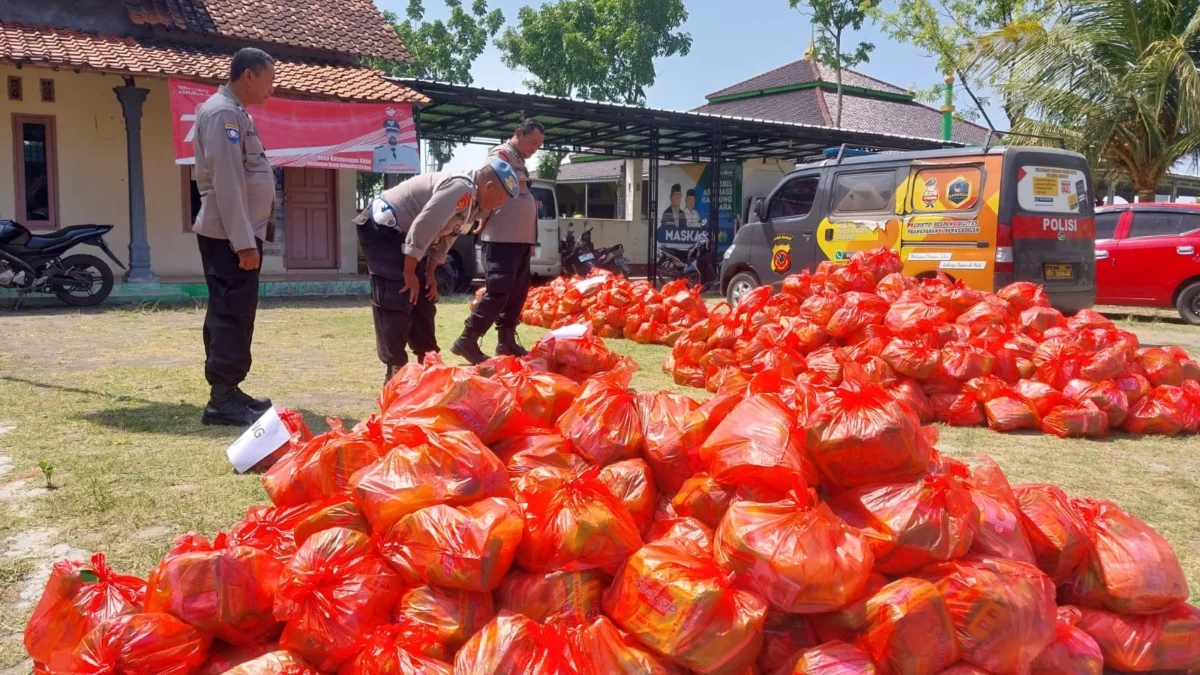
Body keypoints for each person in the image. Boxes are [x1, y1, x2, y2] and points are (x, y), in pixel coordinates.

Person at [356, 157, 518, 384]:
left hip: (409, 237)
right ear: (489, 186)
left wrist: (429, 273)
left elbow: (448, 236)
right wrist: (409, 273)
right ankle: (395, 371)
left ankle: (428, 362)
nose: (499, 204)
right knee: (398, 292)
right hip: (384, 227)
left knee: (423, 297)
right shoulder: (460, 187)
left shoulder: (476, 204)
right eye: (500, 197)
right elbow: (424, 226)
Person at [191, 47, 277, 427]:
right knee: (231, 312)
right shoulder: (223, 113)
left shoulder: (234, 112)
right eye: (268, 80)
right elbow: (228, 182)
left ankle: (229, 389)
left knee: (235, 311)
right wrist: (243, 242)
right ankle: (221, 399)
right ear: (248, 75)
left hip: (237, 234)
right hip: (230, 237)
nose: (270, 90)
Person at [452, 119, 545, 364]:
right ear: (518, 133)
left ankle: (506, 341)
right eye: (532, 142)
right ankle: (468, 339)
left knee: (517, 292)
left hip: (520, 239)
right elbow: (487, 185)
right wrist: (480, 216)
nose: (534, 148)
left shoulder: (519, 162)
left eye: (538, 145)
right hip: (502, 238)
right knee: (499, 291)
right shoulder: (501, 155)